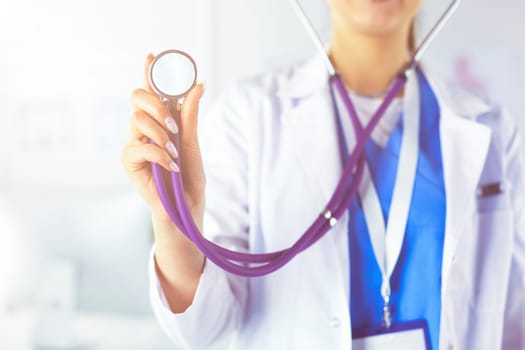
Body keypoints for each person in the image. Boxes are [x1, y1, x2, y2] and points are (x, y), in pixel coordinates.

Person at [121, 0, 525, 349]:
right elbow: (201, 328)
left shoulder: (491, 128)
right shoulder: (249, 115)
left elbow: (514, 318)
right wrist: (176, 223)